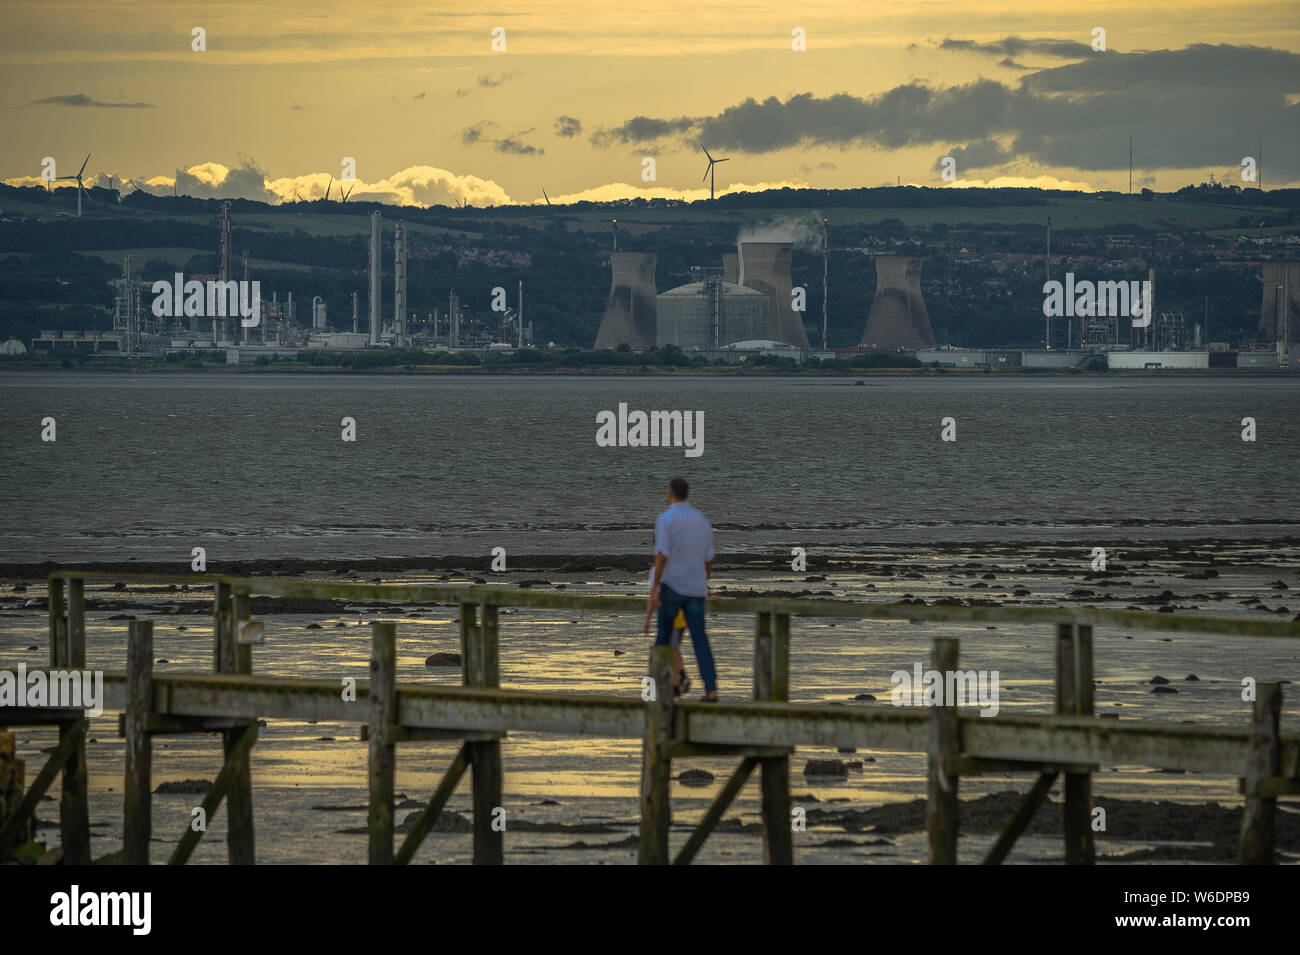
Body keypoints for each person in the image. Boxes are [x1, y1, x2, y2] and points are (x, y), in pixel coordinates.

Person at [643, 477, 719, 702]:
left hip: (672, 587)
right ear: (687, 494)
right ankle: (711, 688)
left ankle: (663, 692)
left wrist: (655, 586)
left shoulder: (666, 519)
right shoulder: (702, 521)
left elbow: (663, 554)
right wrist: (702, 581)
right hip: (695, 590)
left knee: (664, 641)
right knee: (700, 639)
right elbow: (708, 559)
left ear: (670, 494)